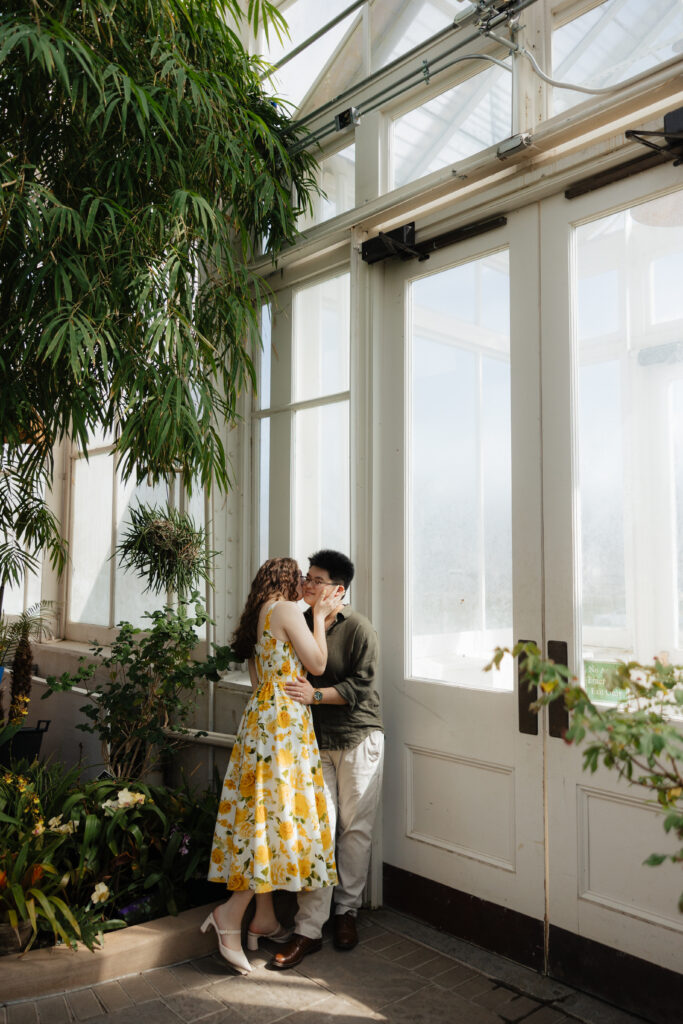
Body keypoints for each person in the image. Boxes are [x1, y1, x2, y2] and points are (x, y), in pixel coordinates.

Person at [203, 556, 342, 975]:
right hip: (283, 725)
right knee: (277, 816)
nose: (305, 583)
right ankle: (231, 914)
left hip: (261, 719)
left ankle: (263, 919)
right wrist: (318, 615)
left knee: (259, 814)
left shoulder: (259, 618)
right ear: (286, 580)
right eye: (300, 576)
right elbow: (317, 665)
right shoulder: (284, 610)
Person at [270, 549, 382, 970]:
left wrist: (315, 695)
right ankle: (308, 928)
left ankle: (346, 913)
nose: (306, 586)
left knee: (354, 829)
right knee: (318, 830)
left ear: (338, 589)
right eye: (306, 578)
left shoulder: (359, 628)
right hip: (312, 740)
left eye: (316, 580)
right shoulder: (297, 620)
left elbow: (361, 688)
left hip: (358, 738)